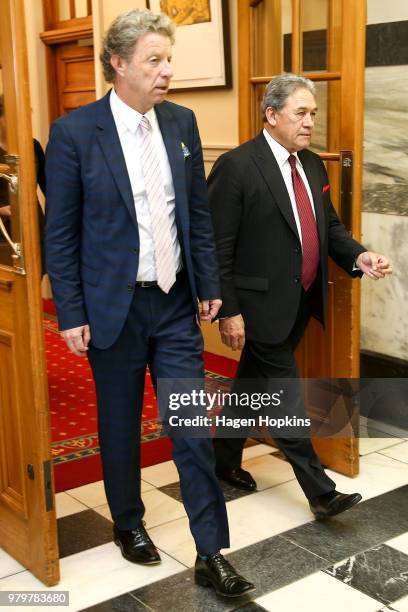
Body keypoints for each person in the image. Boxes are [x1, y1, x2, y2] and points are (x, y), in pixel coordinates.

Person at [45, 9, 253, 598]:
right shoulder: (76, 133)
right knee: (118, 426)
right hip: (112, 309)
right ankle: (128, 522)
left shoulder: (182, 124)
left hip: (174, 305)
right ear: (119, 64)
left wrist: (209, 283)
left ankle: (212, 551)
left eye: (169, 61)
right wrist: (72, 313)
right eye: (154, 61)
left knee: (189, 428)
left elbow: (197, 216)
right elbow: (61, 234)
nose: (166, 73)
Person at [208, 74, 392, 519]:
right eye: (300, 113)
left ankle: (222, 459)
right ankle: (320, 491)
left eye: (313, 114)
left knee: (251, 385)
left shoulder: (310, 164)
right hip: (258, 305)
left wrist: (359, 256)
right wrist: (228, 310)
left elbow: (327, 227)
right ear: (271, 115)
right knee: (285, 396)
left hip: (300, 301)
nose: (310, 122)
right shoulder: (237, 166)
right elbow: (218, 247)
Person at [0, 94, 46, 272]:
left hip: (33, 228)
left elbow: (50, 188)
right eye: (14, 116)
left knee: (35, 279)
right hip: (4, 234)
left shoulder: (33, 146)